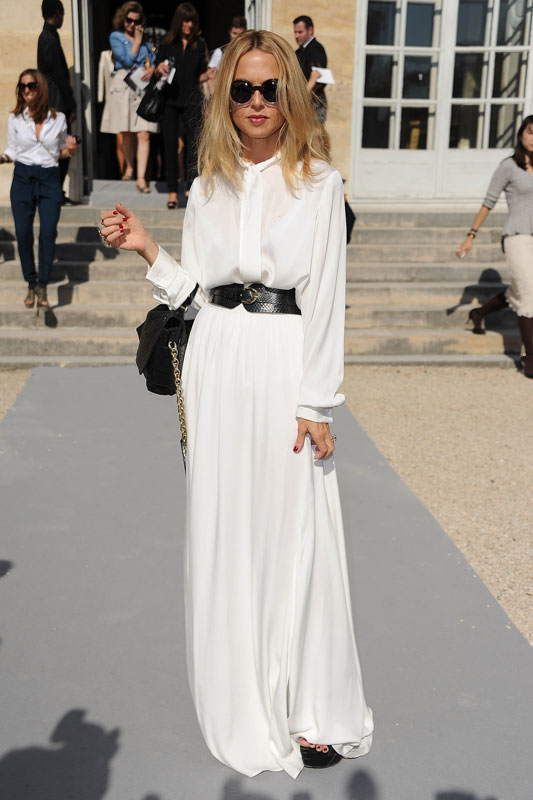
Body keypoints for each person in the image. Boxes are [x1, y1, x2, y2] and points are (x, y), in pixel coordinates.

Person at [99, 29, 373, 777]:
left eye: (269, 88)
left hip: (285, 367)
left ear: (291, 95)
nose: (256, 102)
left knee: (299, 535)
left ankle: (310, 707)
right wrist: (147, 248)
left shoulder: (319, 183)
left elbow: (326, 300)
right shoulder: (208, 185)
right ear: (226, 97)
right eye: (242, 89)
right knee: (229, 533)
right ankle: (244, 697)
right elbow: (196, 295)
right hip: (217, 364)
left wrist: (317, 402)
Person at [456, 115, 533, 379]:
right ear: (521, 134)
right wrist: (471, 235)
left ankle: (479, 312)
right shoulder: (508, 166)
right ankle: (529, 358)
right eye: (530, 132)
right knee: (529, 296)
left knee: (520, 291)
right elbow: (488, 201)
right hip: (517, 237)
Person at [0, 70, 77, 309]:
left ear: (40, 88)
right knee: (23, 233)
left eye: (31, 85)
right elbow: (12, 150)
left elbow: (61, 151)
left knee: (48, 232)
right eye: (23, 86)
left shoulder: (59, 118)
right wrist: (2, 158)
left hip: (49, 178)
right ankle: (31, 282)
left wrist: (71, 150)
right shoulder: (15, 119)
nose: (27, 90)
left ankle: (43, 284)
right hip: (23, 178)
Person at [155, 2, 214, 208]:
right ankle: (172, 192)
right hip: (170, 101)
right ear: (179, 22)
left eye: (192, 22)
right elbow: (157, 71)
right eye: (185, 21)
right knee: (170, 146)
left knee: (193, 147)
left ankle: (190, 189)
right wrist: (159, 69)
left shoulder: (200, 44)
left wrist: (208, 75)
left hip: (192, 100)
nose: (189, 25)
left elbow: (199, 75)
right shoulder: (167, 44)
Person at [100, 1, 157, 194]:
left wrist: (153, 69)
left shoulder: (146, 40)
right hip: (124, 84)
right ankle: (130, 167)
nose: (132, 24)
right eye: (129, 20)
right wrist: (137, 41)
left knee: (144, 132)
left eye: (136, 21)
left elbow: (153, 61)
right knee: (126, 132)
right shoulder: (116, 37)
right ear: (123, 19)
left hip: (141, 86)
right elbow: (126, 59)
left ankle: (141, 177)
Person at [37, 0, 77, 205]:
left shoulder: (48, 36)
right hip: (57, 103)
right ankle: (55, 192)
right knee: (62, 148)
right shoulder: (49, 38)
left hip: (54, 102)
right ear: (58, 13)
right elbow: (59, 76)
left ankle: (54, 192)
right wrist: (71, 104)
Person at [293, 15, 328, 124]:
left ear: (310, 30)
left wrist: (303, 95)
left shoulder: (316, 50)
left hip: (313, 105)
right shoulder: (298, 52)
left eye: (300, 32)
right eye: (295, 32)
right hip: (300, 103)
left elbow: (319, 81)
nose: (296, 36)